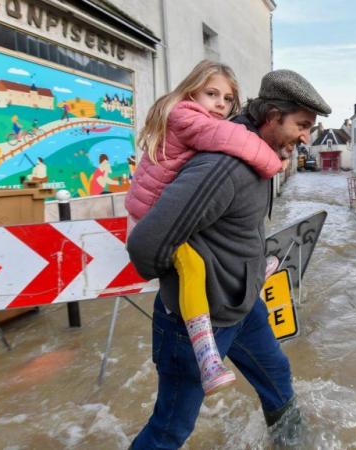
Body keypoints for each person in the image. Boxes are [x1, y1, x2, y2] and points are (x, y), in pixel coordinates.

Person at [127, 69, 331, 448]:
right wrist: (192, 282)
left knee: (277, 378)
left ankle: (293, 443)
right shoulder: (226, 167)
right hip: (197, 321)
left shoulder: (258, 154)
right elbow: (146, 245)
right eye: (302, 125)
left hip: (244, 306)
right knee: (170, 429)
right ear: (271, 116)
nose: (306, 138)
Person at [125, 60, 283, 396]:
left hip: (157, 208)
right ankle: (206, 356)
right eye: (211, 94)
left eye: (227, 100)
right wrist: (272, 163)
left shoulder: (191, 121)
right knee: (193, 267)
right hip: (148, 215)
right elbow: (232, 138)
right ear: (191, 91)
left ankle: (253, 272)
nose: (220, 105)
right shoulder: (186, 117)